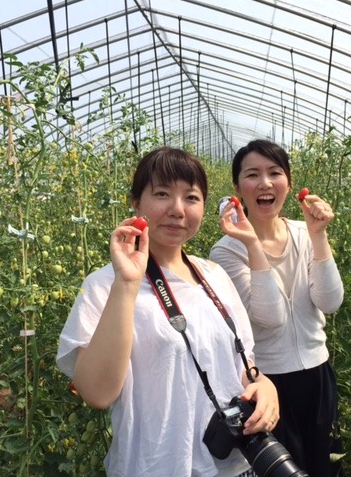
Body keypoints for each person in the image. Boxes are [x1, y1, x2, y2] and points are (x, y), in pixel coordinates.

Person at [56, 147, 280, 477]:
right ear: (136, 203)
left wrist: (264, 385)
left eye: (191, 197)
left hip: (234, 466)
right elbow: (97, 393)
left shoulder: (214, 276)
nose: (177, 209)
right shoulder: (105, 285)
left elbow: (243, 363)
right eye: (162, 194)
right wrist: (127, 284)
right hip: (155, 467)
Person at [210, 139, 345, 477]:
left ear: (288, 181)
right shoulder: (226, 252)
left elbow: (330, 302)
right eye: (252, 175)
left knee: (325, 467)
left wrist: (318, 235)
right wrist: (251, 243)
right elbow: (271, 317)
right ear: (237, 189)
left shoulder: (305, 233)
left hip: (318, 375)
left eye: (274, 173)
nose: (265, 183)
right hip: (268, 385)